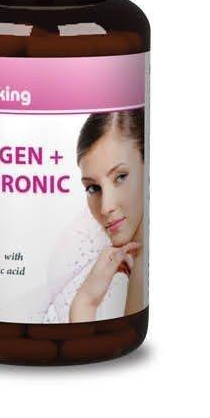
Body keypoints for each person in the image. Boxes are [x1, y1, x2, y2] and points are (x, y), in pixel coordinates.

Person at [70, 109, 145, 322]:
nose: (105, 207)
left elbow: (81, 344)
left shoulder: (143, 267)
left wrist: (85, 302)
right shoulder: (137, 261)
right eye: (93, 188)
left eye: (120, 177)